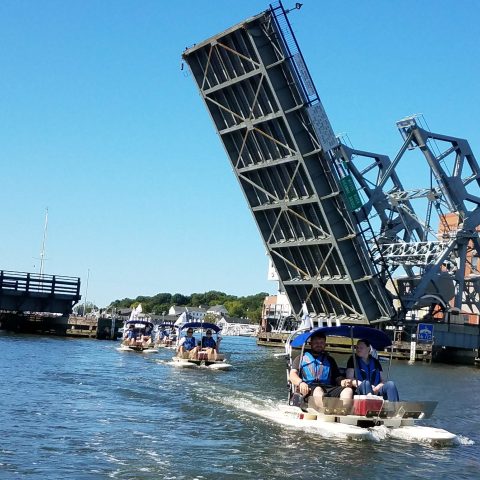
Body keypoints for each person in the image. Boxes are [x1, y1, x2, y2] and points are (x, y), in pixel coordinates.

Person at [289, 331, 353, 410]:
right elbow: (292, 375)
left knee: (348, 390)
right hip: (309, 389)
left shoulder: (330, 360)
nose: (319, 344)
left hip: (328, 388)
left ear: (325, 344)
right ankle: (325, 410)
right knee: (318, 390)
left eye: (321, 342)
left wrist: (343, 381)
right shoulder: (301, 358)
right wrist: (300, 383)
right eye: (316, 342)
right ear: (310, 343)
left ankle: (343, 410)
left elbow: (337, 377)